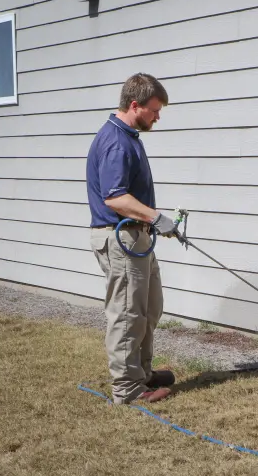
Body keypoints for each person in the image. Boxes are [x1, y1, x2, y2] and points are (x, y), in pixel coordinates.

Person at [86, 73, 178, 404]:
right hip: (120, 240)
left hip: (137, 238)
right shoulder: (115, 141)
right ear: (135, 105)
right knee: (127, 314)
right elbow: (115, 198)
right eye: (154, 110)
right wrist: (156, 217)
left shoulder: (129, 136)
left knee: (150, 308)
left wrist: (152, 224)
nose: (158, 116)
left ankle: (142, 372)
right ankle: (127, 388)